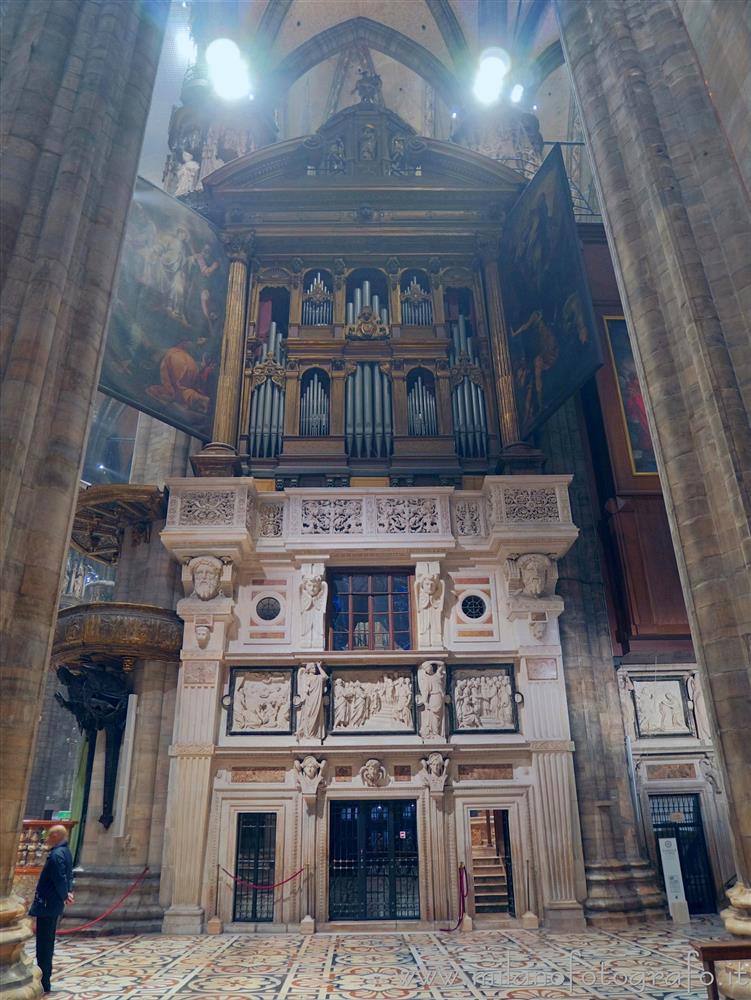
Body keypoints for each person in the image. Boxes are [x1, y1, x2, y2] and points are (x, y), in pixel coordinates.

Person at [29, 824, 74, 994]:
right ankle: (44, 977)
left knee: (44, 943)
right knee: (46, 941)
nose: (46, 839)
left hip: (47, 904)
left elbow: (60, 878)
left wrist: (64, 894)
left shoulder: (56, 855)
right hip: (53, 904)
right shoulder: (65, 852)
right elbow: (68, 877)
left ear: (55, 836)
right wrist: (68, 893)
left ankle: (44, 979)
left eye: (49, 836)